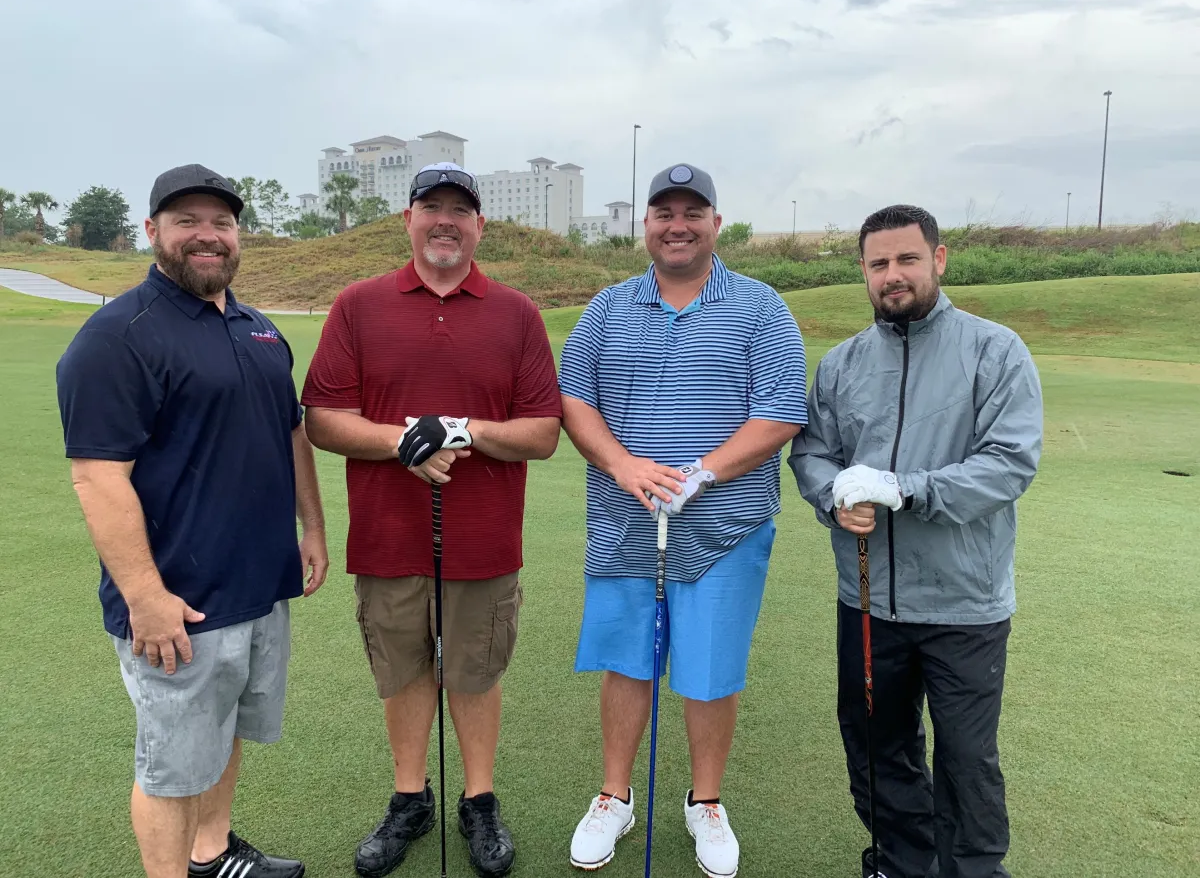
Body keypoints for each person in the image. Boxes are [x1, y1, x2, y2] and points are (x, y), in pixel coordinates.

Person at [55, 164, 329, 878]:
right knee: (172, 766)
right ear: (153, 232)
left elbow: (289, 431)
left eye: (222, 223)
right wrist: (146, 599)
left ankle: (212, 856)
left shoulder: (259, 328)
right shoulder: (118, 336)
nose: (207, 236)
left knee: (225, 731)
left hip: (258, 584)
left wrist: (314, 528)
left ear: (238, 236)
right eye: (186, 222)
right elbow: (96, 475)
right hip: (178, 600)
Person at [301, 162, 562, 878]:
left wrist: (458, 430)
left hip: (483, 539)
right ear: (408, 220)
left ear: (480, 225)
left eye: (460, 210)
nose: (445, 220)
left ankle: (478, 800)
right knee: (405, 670)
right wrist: (399, 443)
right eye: (431, 207)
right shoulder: (358, 305)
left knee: (473, 672)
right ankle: (410, 797)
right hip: (387, 538)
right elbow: (322, 416)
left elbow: (542, 432)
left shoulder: (516, 314)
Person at [559, 163, 808, 877]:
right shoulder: (607, 308)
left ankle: (706, 802)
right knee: (627, 663)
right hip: (625, 520)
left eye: (692, 211)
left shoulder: (761, 308)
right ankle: (614, 796)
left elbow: (781, 411)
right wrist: (623, 466)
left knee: (708, 671)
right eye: (664, 211)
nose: (677, 223)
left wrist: (701, 472)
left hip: (726, 527)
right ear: (646, 225)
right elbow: (575, 401)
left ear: (715, 224)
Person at [789, 204, 1044, 878]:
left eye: (906, 259)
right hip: (869, 599)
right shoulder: (843, 364)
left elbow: (1009, 463)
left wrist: (907, 488)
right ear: (864, 273)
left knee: (965, 759)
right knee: (877, 746)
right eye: (878, 264)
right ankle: (902, 862)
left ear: (939, 258)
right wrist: (834, 493)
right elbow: (812, 453)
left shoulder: (995, 350)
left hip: (964, 603)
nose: (892, 275)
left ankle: (974, 871)